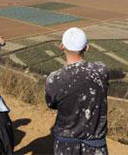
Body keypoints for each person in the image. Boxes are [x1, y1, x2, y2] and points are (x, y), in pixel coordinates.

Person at [45, 27, 109, 155]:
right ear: (87, 47)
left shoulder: (54, 79)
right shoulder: (101, 70)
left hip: (65, 145)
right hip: (96, 146)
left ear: (61, 46)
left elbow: (51, 104)